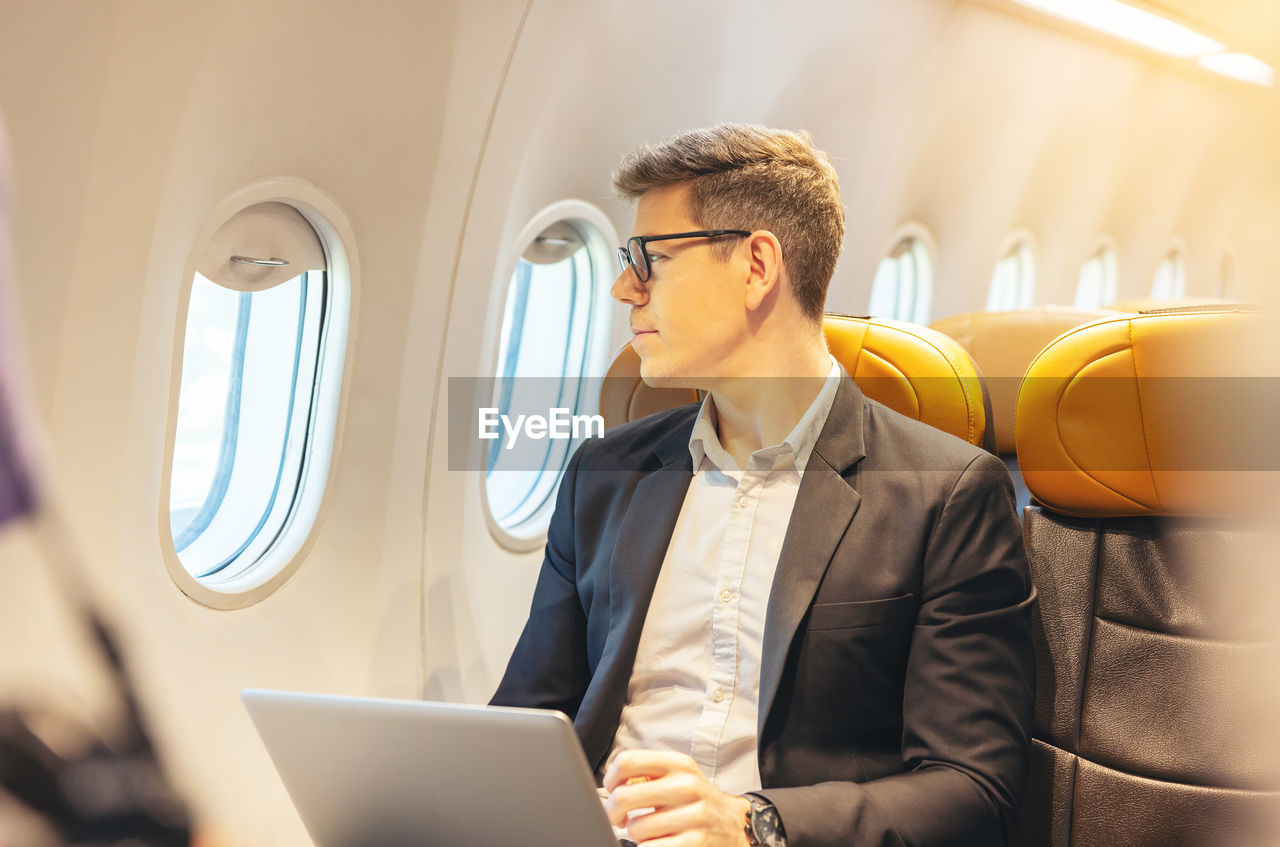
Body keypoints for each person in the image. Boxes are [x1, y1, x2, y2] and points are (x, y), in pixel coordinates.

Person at [491, 124, 1035, 847]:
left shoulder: (947, 495)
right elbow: (525, 722)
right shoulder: (605, 475)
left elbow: (973, 791)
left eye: (649, 257)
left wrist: (752, 822)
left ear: (756, 264)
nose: (626, 286)